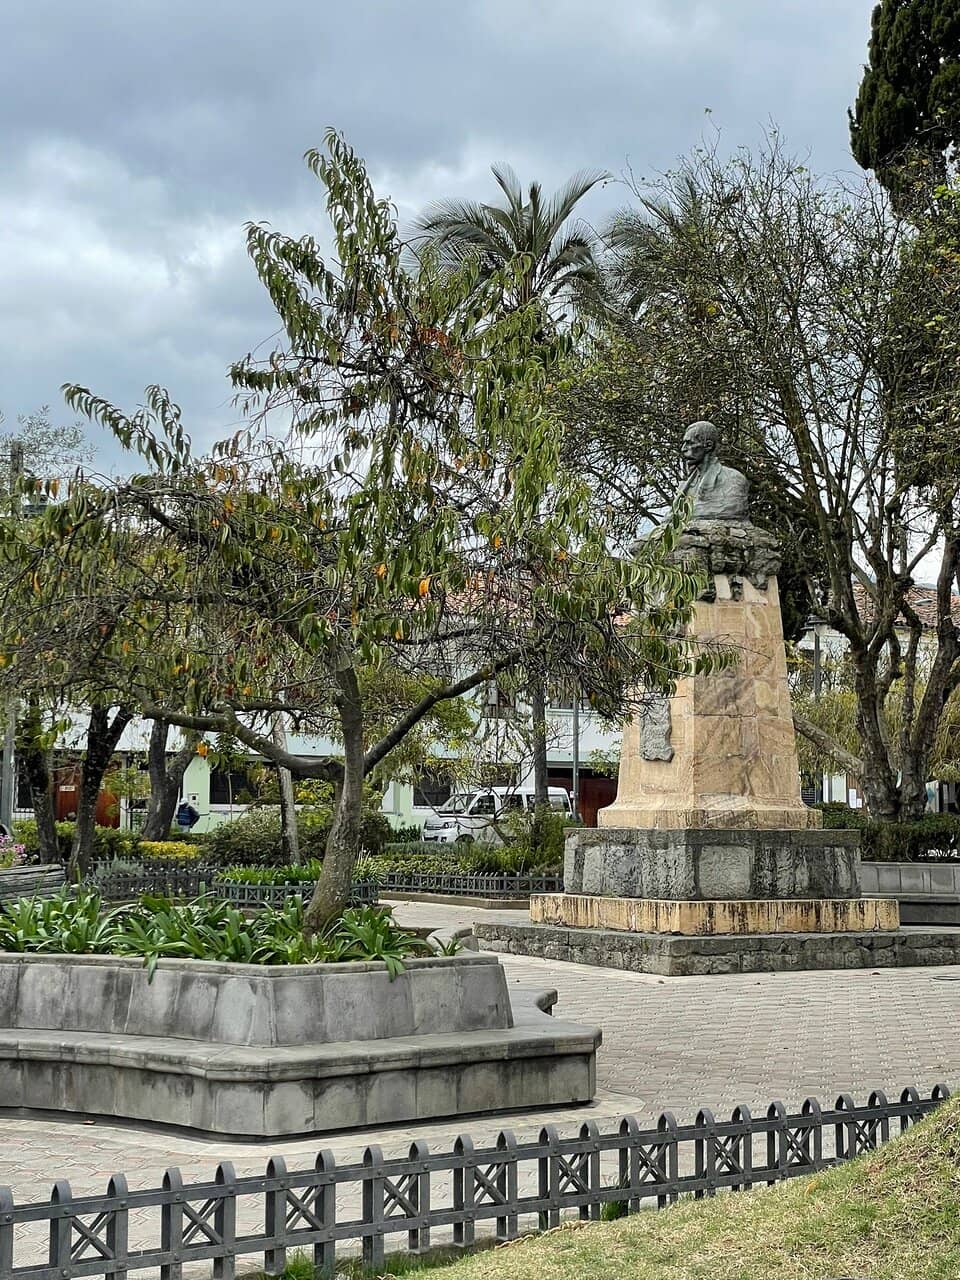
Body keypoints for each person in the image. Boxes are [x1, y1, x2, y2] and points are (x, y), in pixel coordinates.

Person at [679, 420, 750, 522]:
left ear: (708, 445)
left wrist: (682, 514)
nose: (683, 449)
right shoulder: (685, 486)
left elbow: (733, 510)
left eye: (690, 443)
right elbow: (669, 517)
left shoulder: (734, 479)